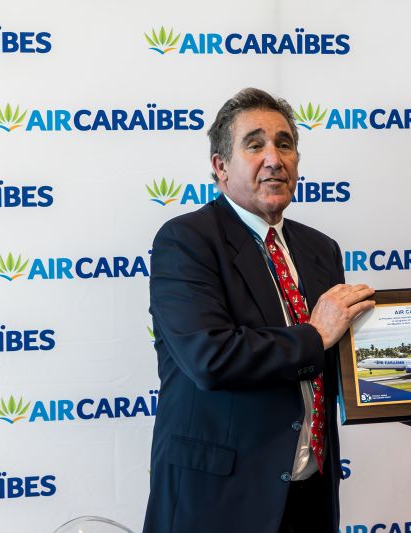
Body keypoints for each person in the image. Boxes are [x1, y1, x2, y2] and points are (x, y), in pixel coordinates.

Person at [143, 88, 375, 533]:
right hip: (219, 501)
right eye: (255, 145)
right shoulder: (185, 241)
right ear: (220, 166)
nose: (274, 158)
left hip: (308, 497)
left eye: (285, 144)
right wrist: (315, 334)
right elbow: (210, 358)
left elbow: (340, 364)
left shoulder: (320, 249)